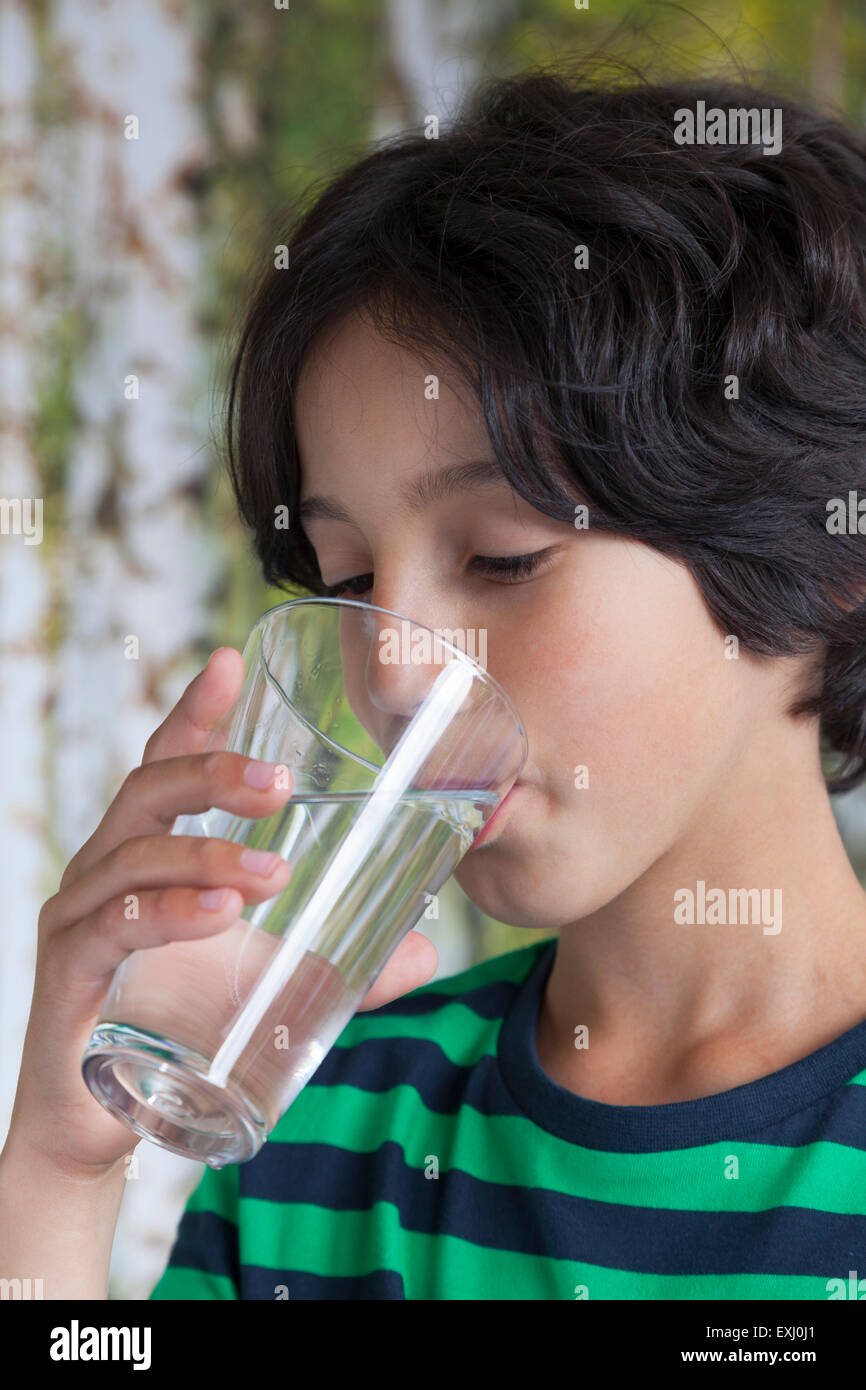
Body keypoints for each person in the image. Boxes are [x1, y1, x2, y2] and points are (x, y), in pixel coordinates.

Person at [3, 60, 866, 1300]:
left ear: (825, 559)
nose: (395, 671)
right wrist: (54, 1176)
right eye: (348, 579)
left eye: (503, 557)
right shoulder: (320, 1123)